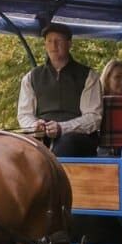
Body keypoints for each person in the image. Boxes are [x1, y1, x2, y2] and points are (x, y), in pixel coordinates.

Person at [17, 22, 102, 157]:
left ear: (69, 44)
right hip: (42, 138)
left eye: (58, 41)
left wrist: (62, 128)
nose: (53, 46)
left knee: (66, 143)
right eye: (49, 41)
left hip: (77, 138)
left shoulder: (88, 76)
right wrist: (35, 126)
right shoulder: (31, 77)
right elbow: (24, 114)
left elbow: (93, 117)